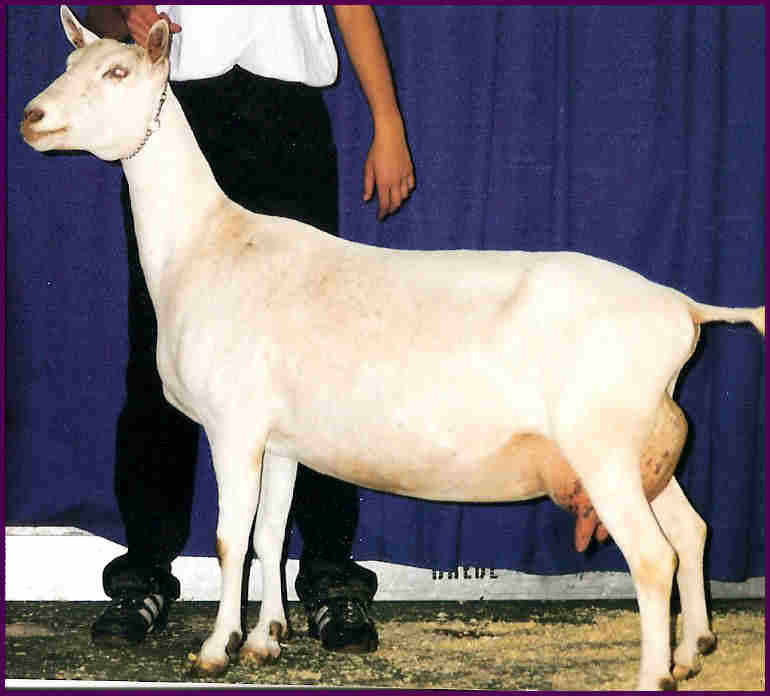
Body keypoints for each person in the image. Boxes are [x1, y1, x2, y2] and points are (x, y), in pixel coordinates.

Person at [84, 4, 414, 654]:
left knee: (316, 359)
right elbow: (101, 13)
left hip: (288, 120)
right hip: (177, 115)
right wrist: (124, 11)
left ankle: (329, 574)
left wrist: (388, 120)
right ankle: (144, 572)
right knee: (165, 352)